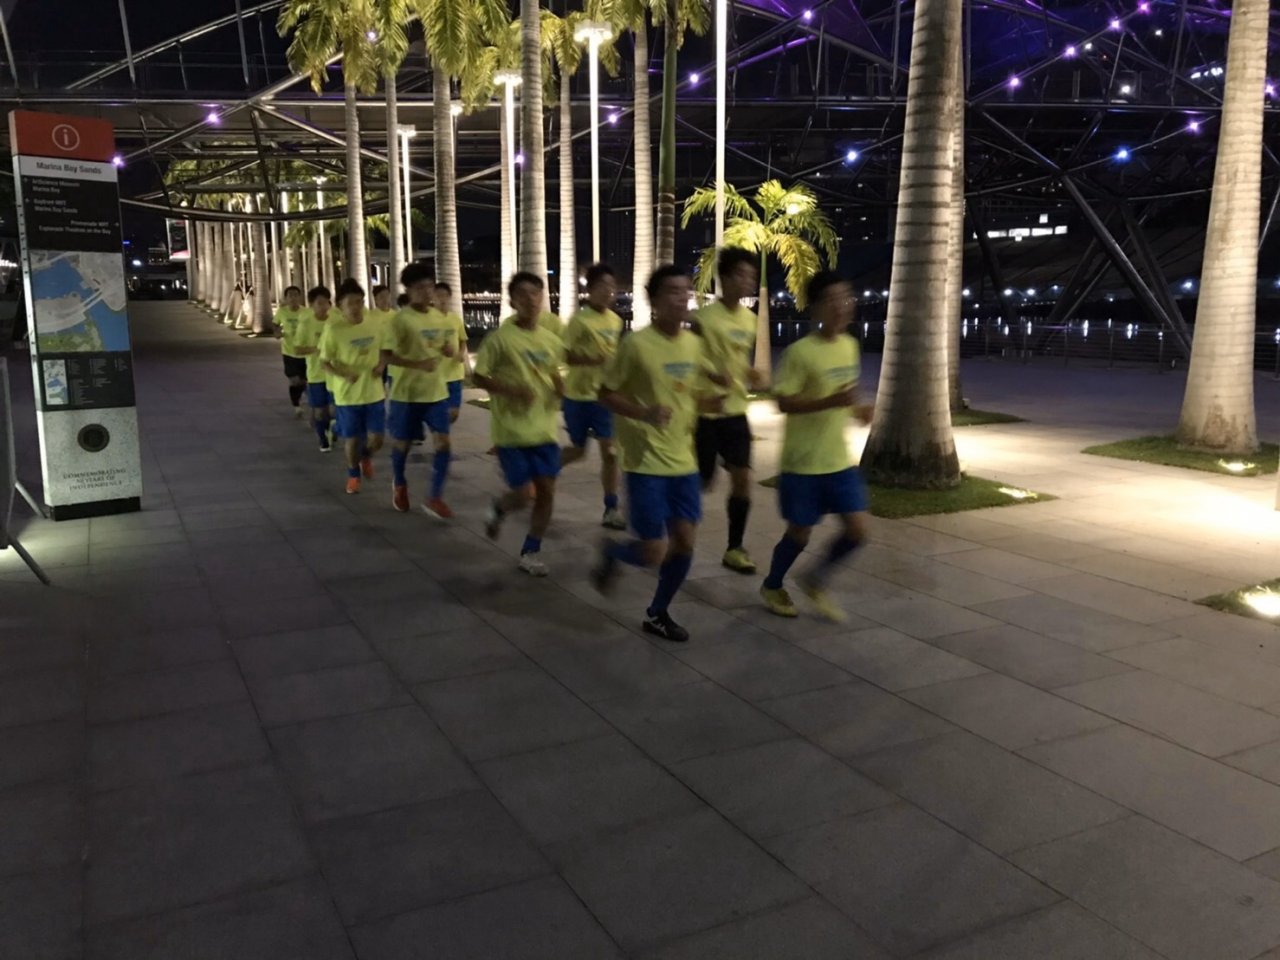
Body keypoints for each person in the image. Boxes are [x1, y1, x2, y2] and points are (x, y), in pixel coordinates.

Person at [592, 265, 724, 643]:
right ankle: (615, 552)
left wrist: (711, 400)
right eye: (672, 292)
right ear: (653, 300)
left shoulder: (694, 345)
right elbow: (606, 393)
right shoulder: (635, 345)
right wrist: (643, 413)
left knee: (684, 543)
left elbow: (689, 393)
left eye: (685, 291)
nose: (681, 298)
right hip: (645, 461)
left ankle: (657, 613)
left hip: (683, 461)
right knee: (653, 551)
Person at [759, 271, 873, 623]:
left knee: (858, 530)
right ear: (816, 307)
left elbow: (845, 394)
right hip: (803, 462)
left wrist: (857, 410)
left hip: (838, 461)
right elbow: (783, 402)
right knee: (799, 533)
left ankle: (814, 579)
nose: (842, 306)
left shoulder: (849, 345)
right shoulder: (799, 353)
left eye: (847, 298)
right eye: (832, 300)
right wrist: (831, 402)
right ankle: (773, 584)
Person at [473, 272, 565, 576]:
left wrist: (559, 388)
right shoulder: (499, 339)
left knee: (547, 492)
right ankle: (499, 507)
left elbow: (552, 369)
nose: (530, 300)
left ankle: (531, 551)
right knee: (525, 495)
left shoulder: (550, 339)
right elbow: (478, 376)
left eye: (536, 293)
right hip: (511, 433)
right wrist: (511, 390)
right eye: (523, 294)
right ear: (512, 301)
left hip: (544, 430)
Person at [692, 247, 765, 575]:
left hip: (735, 411)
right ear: (724, 278)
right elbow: (689, 356)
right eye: (741, 275)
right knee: (702, 482)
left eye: (751, 276)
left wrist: (750, 373)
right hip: (706, 413)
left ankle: (735, 548)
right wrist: (711, 375)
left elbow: (737, 359)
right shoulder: (703, 319)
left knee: (743, 479)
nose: (747, 281)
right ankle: (671, 527)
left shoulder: (749, 319)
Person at [383, 262, 457, 517]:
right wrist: (417, 364)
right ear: (408, 290)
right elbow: (386, 355)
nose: (426, 292)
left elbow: (446, 346)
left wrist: (448, 349)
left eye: (429, 286)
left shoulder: (439, 317)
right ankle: (399, 482)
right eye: (419, 288)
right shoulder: (400, 320)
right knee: (402, 444)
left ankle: (434, 497)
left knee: (443, 444)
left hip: (436, 393)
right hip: (407, 394)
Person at [560, 263, 626, 530]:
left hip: (603, 397)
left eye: (611, 286)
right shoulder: (579, 321)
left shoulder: (616, 321)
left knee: (610, 453)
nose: (608, 291)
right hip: (577, 396)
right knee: (577, 451)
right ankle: (542, 472)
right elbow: (564, 355)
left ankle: (611, 507)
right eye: (602, 286)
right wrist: (591, 359)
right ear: (590, 289)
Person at [319, 278, 387, 494]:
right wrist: (344, 374)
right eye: (351, 303)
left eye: (360, 302)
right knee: (353, 438)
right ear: (340, 306)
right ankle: (353, 474)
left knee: (377, 439)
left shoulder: (374, 324)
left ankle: (366, 456)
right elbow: (324, 362)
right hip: (348, 395)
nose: (356, 307)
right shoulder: (334, 330)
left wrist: (381, 365)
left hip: (374, 392)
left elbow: (385, 349)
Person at [294, 285, 336, 452]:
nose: (324, 306)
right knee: (319, 411)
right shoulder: (306, 324)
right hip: (316, 374)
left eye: (327, 302)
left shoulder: (336, 320)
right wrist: (316, 349)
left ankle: (332, 430)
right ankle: (322, 439)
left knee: (334, 410)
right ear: (311, 305)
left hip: (335, 373)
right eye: (320, 303)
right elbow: (297, 349)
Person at [433, 281, 469, 423]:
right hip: (436, 374)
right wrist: (440, 348)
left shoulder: (455, 319)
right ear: (433, 298)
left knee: (454, 413)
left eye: (445, 295)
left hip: (454, 373)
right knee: (440, 412)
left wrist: (460, 354)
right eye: (438, 295)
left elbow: (463, 340)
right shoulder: (429, 319)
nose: (442, 299)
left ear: (449, 297)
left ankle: (442, 429)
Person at [274, 285, 308, 416]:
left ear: (300, 297)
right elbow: (275, 324)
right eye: (290, 295)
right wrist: (277, 332)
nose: (293, 298)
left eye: (295, 295)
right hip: (289, 351)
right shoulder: (282, 312)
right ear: (286, 298)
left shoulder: (306, 312)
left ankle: (302, 398)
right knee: (294, 380)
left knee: (303, 380)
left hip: (304, 351)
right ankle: (296, 405)